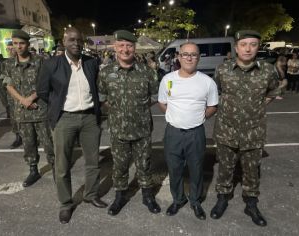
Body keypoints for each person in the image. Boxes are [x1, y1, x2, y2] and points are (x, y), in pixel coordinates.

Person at [37, 27, 107, 224]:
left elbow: (96, 86)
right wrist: (58, 107)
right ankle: (66, 203)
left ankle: (91, 194)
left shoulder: (91, 63)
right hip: (64, 119)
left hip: (89, 119)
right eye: (72, 40)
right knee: (62, 164)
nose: (76, 43)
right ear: (64, 41)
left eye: (79, 40)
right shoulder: (52, 64)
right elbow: (42, 91)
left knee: (93, 161)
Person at [210, 30, 280, 227]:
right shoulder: (222, 70)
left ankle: (251, 203)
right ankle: (222, 198)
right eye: (244, 44)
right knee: (225, 168)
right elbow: (217, 93)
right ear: (236, 47)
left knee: (251, 170)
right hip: (227, 130)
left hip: (253, 131)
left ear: (258, 46)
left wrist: (255, 108)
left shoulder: (267, 70)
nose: (248, 48)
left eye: (253, 44)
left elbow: (272, 92)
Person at [98, 30, 161, 216]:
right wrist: (119, 110)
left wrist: (138, 108)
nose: (125, 49)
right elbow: (102, 98)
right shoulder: (106, 73)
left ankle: (147, 195)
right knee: (119, 165)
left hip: (142, 128)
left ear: (135, 48)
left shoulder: (147, 72)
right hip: (118, 129)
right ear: (115, 48)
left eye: (129, 46)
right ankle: (120, 196)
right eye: (121, 46)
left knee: (145, 164)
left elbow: (155, 97)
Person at [158, 42, 218, 220]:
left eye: (193, 55)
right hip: (173, 133)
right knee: (174, 169)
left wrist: (198, 117)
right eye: (185, 54)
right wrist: (174, 115)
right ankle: (178, 199)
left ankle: (195, 201)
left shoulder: (207, 82)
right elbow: (162, 102)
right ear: (178, 56)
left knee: (197, 169)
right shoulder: (167, 79)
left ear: (198, 58)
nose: (189, 58)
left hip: (196, 133)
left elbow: (213, 106)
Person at [2, 30, 55, 188]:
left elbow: (46, 83)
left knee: (48, 143)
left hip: (40, 109)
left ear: (28, 44)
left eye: (22, 43)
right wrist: (23, 101)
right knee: (28, 143)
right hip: (23, 112)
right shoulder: (9, 63)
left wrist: (31, 99)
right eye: (15, 43)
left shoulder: (40, 61)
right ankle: (33, 170)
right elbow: (8, 85)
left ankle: (55, 167)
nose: (18, 46)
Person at [1, 41, 23, 148]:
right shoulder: (6, 64)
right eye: (8, 49)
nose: (10, 51)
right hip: (12, 96)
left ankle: (33, 138)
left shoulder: (24, 60)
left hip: (25, 95)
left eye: (11, 48)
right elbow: (5, 81)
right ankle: (18, 138)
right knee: (14, 118)